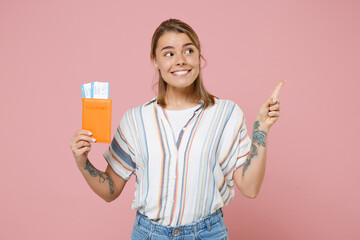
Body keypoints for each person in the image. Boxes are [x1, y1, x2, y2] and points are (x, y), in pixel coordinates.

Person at [70, 18, 285, 240]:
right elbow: (110, 191)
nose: (180, 60)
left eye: (188, 51)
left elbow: (250, 189)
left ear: (199, 56)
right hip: (149, 234)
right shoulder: (134, 120)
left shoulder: (226, 114)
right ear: (156, 61)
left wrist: (262, 129)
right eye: (169, 53)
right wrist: (82, 162)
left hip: (207, 234)